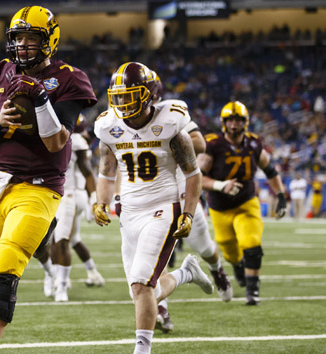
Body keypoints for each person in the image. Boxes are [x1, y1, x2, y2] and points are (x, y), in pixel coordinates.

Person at [0, 6, 96, 354]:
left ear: (50, 40)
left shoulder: (69, 77)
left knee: (7, 263)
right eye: (17, 38)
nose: (23, 45)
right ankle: (44, 238)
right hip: (0, 183)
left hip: (40, 185)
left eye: (31, 38)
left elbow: (55, 141)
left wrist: (41, 98)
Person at [93, 62, 213, 354]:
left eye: (129, 94)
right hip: (129, 212)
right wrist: (101, 202)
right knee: (143, 290)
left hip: (162, 208)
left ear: (147, 95)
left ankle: (142, 350)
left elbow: (193, 174)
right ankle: (186, 274)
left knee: (141, 284)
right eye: (118, 96)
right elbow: (107, 173)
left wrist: (187, 212)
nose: (122, 102)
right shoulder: (109, 127)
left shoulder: (170, 124)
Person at [146, 73, 233, 333]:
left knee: (202, 245)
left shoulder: (170, 114)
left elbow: (200, 143)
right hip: (149, 192)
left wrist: (162, 143)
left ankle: (216, 269)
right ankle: (161, 309)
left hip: (181, 184)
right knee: (153, 256)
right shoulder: (120, 122)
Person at [198, 101, 287, 306]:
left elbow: (271, 171)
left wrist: (281, 195)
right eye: (230, 120)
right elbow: (198, 177)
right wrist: (221, 185)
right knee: (229, 251)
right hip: (220, 208)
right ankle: (237, 265)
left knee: (251, 243)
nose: (234, 124)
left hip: (247, 202)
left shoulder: (254, 144)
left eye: (238, 120)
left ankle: (252, 290)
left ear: (245, 122)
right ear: (224, 123)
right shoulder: (213, 145)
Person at [50, 114, 105, 302]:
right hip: (56, 193)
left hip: (69, 194)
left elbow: (87, 171)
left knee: (61, 240)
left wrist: (94, 199)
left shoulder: (76, 141)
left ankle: (61, 284)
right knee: (71, 239)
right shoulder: (48, 134)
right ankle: (92, 272)